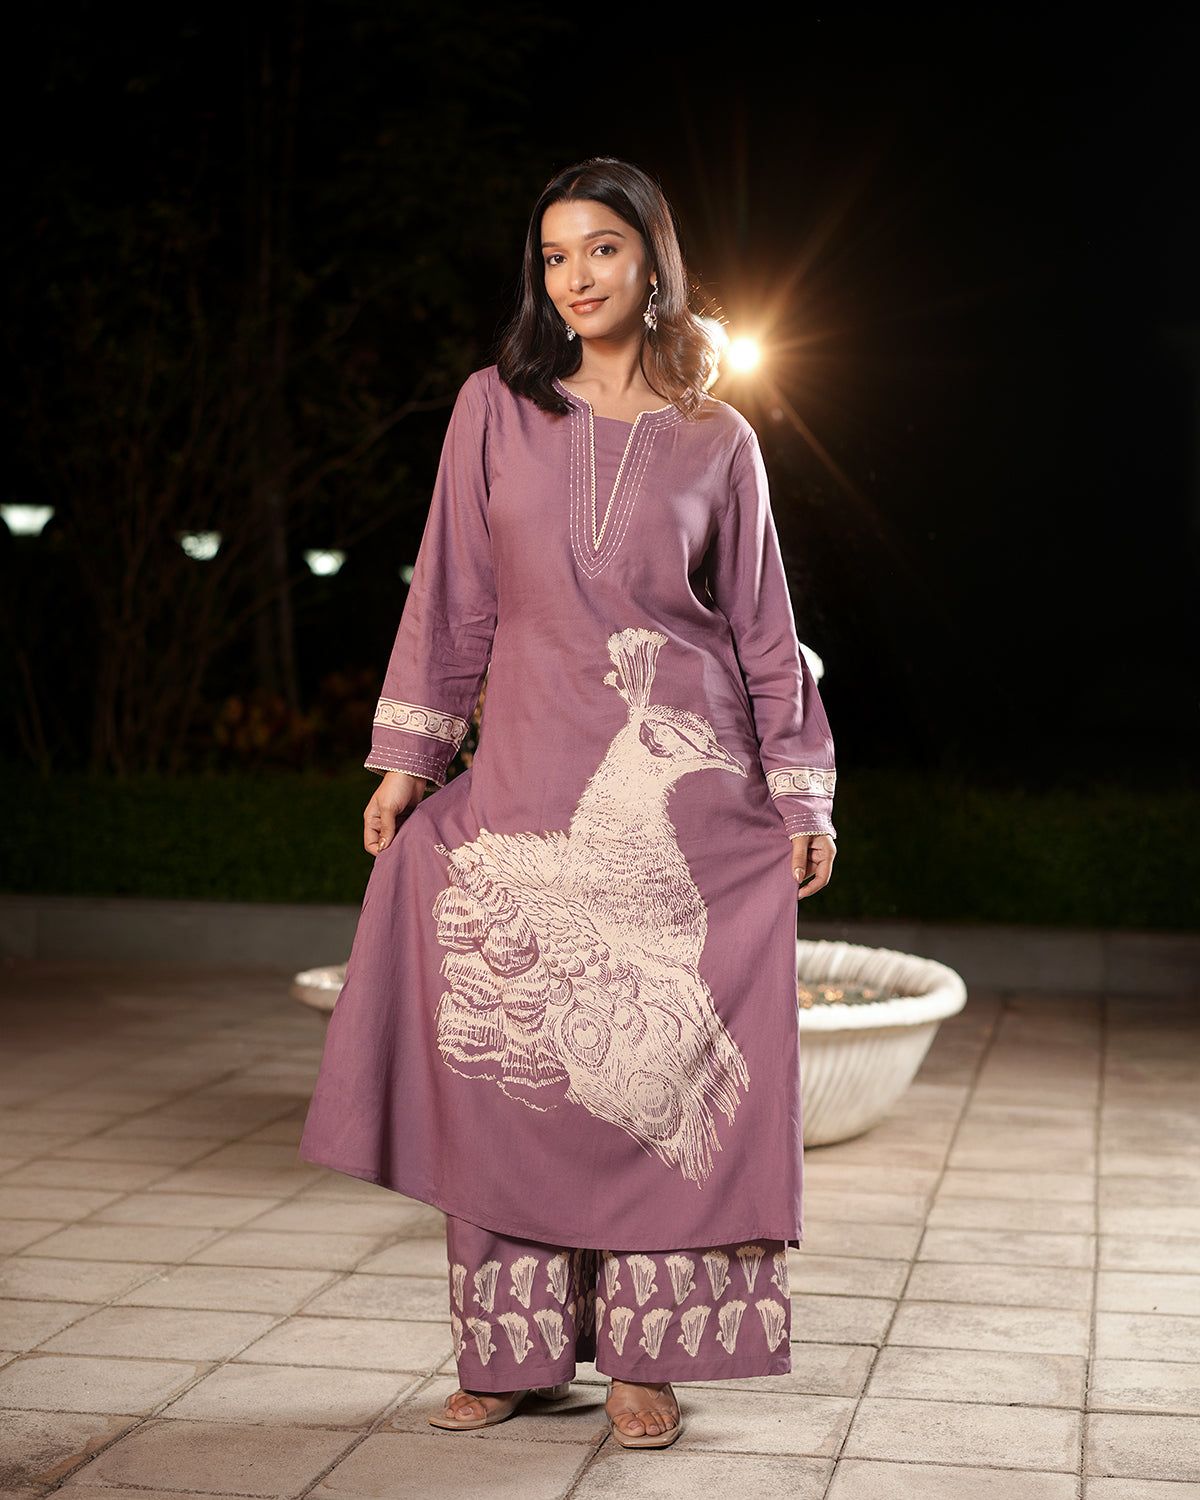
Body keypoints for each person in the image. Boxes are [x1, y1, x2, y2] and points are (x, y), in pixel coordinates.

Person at [300, 158, 836, 1449]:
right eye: (553, 256)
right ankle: (517, 1351)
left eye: (601, 249)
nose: (575, 277)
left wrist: (801, 793)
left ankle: (649, 1359)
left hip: (688, 806)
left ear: (653, 262)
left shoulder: (719, 438)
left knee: (665, 1067)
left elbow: (762, 632)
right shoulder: (494, 408)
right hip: (531, 781)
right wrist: (409, 762)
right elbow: (452, 595)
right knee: (513, 1068)